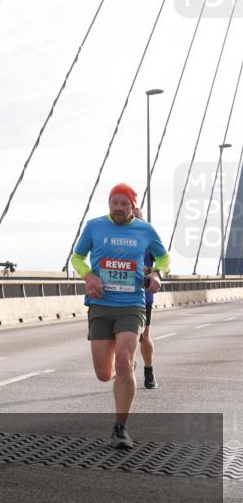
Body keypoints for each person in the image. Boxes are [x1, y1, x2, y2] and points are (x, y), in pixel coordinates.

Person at [71, 183, 169, 449]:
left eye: (124, 203)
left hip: (131, 304)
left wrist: (157, 274)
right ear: (109, 204)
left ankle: (120, 428)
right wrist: (88, 275)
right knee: (105, 373)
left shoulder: (145, 230)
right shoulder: (94, 227)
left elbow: (164, 257)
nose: (118, 208)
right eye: (114, 202)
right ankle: (123, 374)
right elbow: (77, 257)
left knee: (125, 362)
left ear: (132, 206)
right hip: (101, 305)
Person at [132, 207, 157, 389]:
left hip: (143, 295)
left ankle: (149, 371)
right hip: (119, 295)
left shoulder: (148, 239)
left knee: (144, 336)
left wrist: (154, 274)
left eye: (137, 218)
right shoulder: (114, 239)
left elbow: (162, 263)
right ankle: (127, 367)